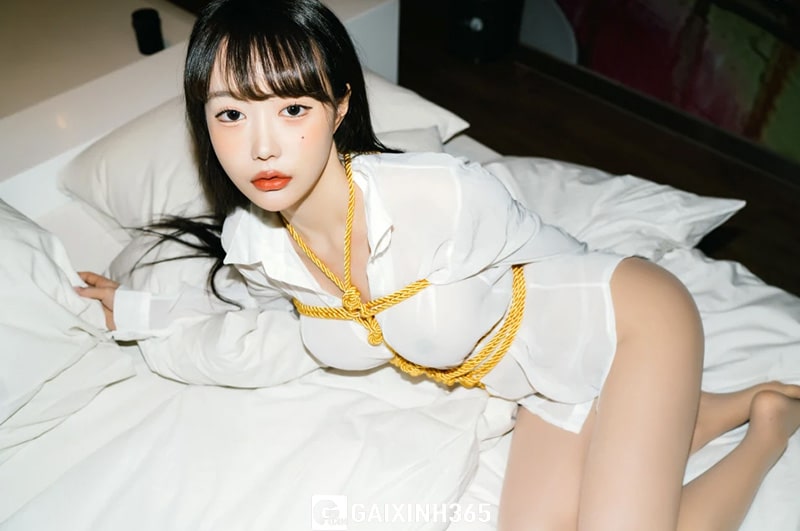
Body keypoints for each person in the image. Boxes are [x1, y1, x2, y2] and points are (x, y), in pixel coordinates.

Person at [76, 0, 800, 528]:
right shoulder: (256, 245)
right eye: (230, 114)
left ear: (339, 107)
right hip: (544, 389)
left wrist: (629, 385)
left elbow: (562, 267)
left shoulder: (435, 195)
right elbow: (258, 335)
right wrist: (139, 312)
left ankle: (766, 428)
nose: (261, 146)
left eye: (292, 109)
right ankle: (695, 413)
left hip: (625, 325)